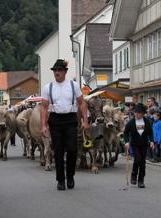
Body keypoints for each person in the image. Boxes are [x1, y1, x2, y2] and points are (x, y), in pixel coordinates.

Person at [41, 59, 89, 191]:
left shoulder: (73, 85)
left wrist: (85, 120)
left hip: (70, 119)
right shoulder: (48, 87)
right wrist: (43, 126)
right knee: (58, 151)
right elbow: (44, 108)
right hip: (55, 120)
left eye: (59, 70)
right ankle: (60, 180)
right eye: (55, 70)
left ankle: (70, 175)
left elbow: (81, 103)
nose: (57, 72)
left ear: (65, 72)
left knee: (72, 149)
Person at [124, 103, 155, 188]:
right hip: (135, 144)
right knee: (137, 159)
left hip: (144, 144)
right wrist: (126, 141)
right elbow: (126, 132)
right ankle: (133, 175)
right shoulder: (131, 122)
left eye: (139, 113)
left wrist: (152, 141)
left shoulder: (146, 121)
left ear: (143, 113)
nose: (137, 114)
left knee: (142, 162)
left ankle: (141, 180)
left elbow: (150, 132)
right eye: (136, 112)